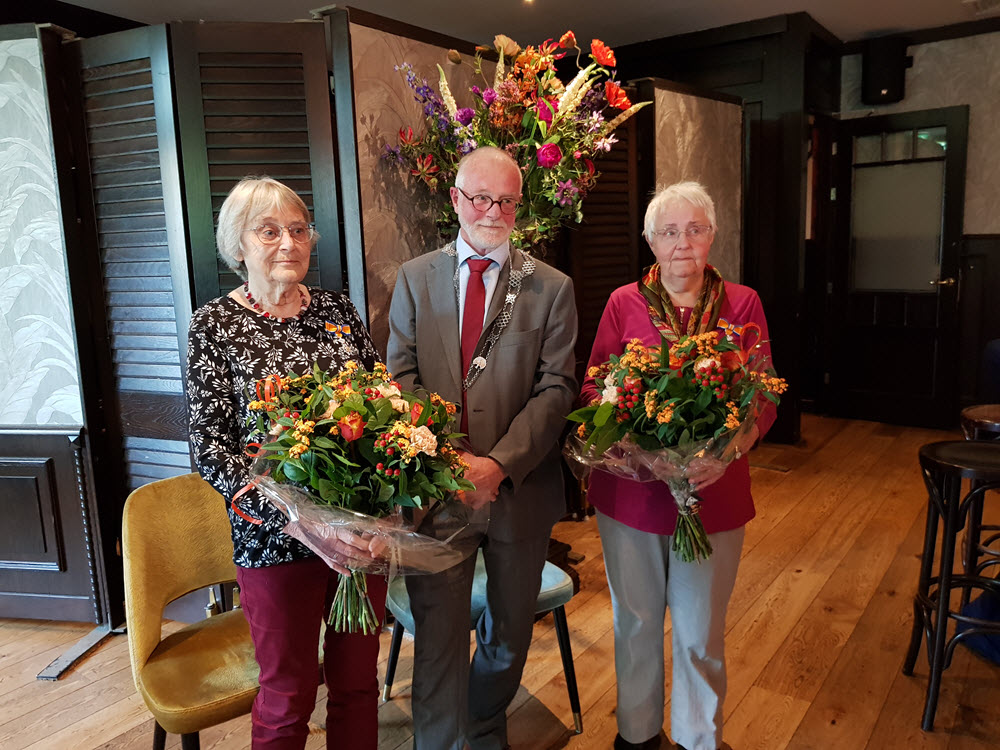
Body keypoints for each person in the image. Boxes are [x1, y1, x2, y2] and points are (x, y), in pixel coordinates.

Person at [386, 146, 578, 750]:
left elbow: (558, 387)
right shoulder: (415, 279)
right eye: (479, 197)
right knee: (439, 637)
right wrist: (450, 463)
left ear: (518, 206)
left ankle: (484, 724)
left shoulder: (551, 287)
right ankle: (440, 742)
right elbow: (400, 378)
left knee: (510, 632)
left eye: (505, 200)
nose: (491, 210)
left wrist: (498, 465)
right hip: (436, 493)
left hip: (520, 492)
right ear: (456, 200)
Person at [186, 176, 385, 750]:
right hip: (273, 544)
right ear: (238, 245)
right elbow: (211, 446)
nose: (289, 243)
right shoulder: (215, 326)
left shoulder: (338, 312)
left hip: (355, 540)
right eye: (269, 231)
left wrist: (386, 508)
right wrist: (295, 519)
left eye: (298, 230)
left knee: (355, 684)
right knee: (287, 693)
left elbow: (382, 411)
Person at [579, 182, 776, 750]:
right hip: (633, 498)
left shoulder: (743, 303)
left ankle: (698, 739)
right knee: (635, 623)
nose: (682, 243)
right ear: (650, 241)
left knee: (699, 633)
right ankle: (637, 737)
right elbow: (595, 384)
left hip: (713, 494)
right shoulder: (624, 303)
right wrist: (636, 446)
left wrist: (728, 452)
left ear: (712, 236)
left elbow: (762, 394)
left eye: (695, 229)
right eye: (669, 231)